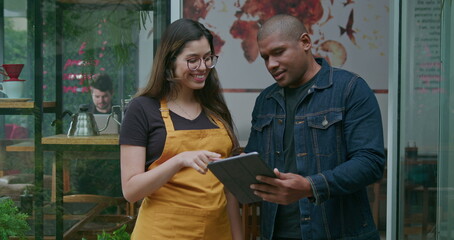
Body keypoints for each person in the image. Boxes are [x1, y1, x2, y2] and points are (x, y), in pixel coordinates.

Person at [244, 14, 385, 240]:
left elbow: (370, 162)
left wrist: (311, 186)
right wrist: (229, 165)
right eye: (265, 57)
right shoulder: (265, 101)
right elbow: (254, 162)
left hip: (339, 233)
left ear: (305, 42)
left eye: (279, 52)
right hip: (277, 234)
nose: (271, 64)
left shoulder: (350, 89)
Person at [119, 18, 243, 239]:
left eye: (207, 58)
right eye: (192, 60)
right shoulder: (143, 109)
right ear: (170, 62)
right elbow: (131, 190)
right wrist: (179, 160)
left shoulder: (215, 109)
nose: (203, 67)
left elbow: (230, 189)